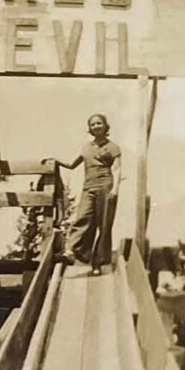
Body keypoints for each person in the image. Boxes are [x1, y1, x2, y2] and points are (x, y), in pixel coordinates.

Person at [57, 113, 121, 273]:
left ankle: (97, 264)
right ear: (90, 129)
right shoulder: (86, 147)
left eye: (99, 123)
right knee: (82, 217)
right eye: (93, 124)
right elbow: (72, 164)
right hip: (89, 187)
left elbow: (117, 168)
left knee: (104, 225)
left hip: (106, 186)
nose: (96, 126)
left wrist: (115, 188)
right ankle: (72, 250)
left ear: (106, 126)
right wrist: (56, 160)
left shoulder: (113, 147)